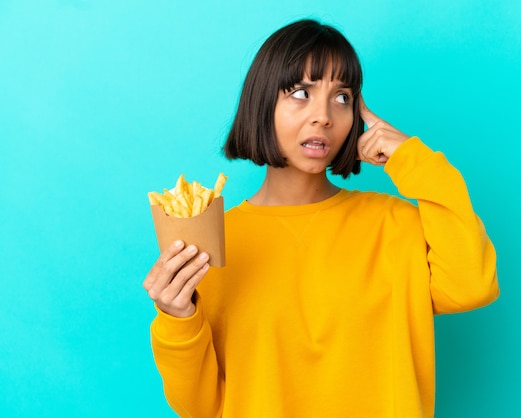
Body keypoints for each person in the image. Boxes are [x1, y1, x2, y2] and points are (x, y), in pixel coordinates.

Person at [143, 19, 499, 418]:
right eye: (300, 93)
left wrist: (414, 161)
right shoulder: (214, 241)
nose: (324, 116)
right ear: (262, 103)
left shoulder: (395, 225)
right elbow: (202, 407)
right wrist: (178, 318)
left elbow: (472, 286)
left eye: (342, 98)